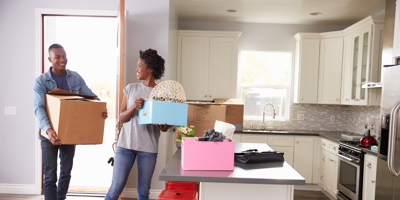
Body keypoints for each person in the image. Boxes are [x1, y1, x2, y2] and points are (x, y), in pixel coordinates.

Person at [34, 43, 107, 200]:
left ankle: (61, 198)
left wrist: (99, 109)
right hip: (48, 134)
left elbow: (91, 97)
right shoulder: (41, 81)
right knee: (50, 175)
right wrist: (48, 130)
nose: (62, 60)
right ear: (50, 59)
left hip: (69, 131)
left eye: (64, 56)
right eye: (58, 57)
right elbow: (39, 108)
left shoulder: (75, 78)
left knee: (66, 171)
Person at [105, 49, 173, 200]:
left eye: (140, 65)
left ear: (150, 69)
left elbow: (166, 126)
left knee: (143, 191)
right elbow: (122, 118)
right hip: (125, 145)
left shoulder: (163, 94)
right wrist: (133, 107)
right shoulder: (131, 88)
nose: (136, 69)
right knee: (115, 188)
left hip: (148, 148)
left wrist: (163, 127)